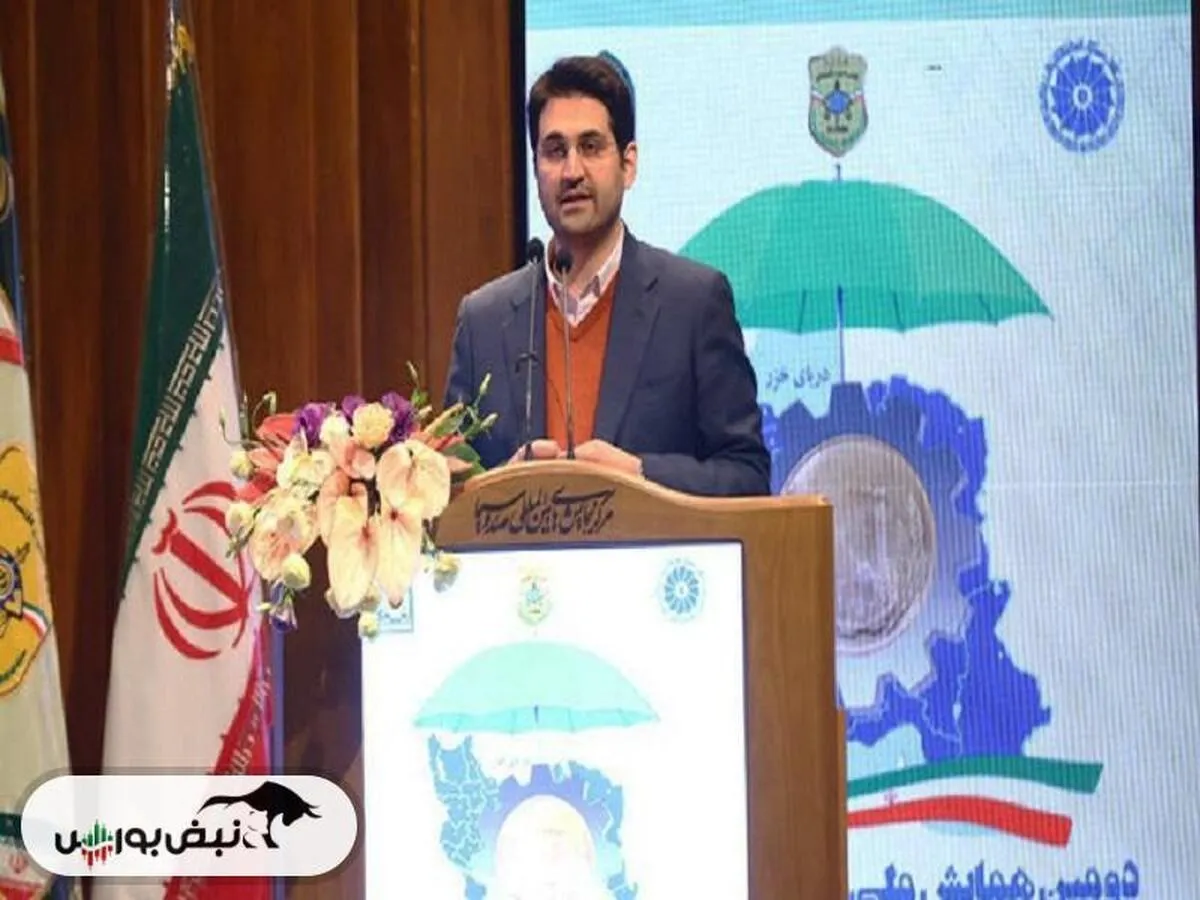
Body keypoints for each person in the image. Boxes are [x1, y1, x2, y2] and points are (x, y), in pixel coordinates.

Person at [443, 54, 769, 497]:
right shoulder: (483, 320)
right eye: (555, 151)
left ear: (628, 164)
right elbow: (446, 491)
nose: (572, 171)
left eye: (591, 147)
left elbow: (747, 476)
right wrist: (503, 485)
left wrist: (639, 474)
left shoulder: (693, 303)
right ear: (536, 168)